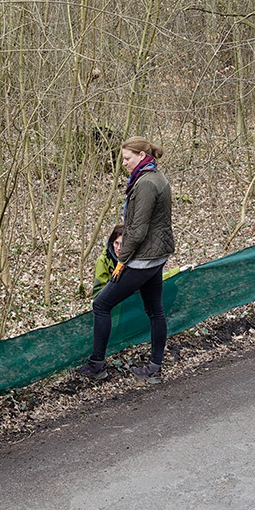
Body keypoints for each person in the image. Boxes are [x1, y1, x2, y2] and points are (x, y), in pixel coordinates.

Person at [79, 136, 175, 385]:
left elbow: (138, 230)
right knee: (155, 310)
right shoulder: (156, 176)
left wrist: (123, 260)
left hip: (143, 259)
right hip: (158, 254)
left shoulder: (145, 184)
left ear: (141, 156)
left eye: (127, 158)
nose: (123, 163)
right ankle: (154, 367)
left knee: (101, 304)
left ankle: (97, 364)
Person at [94, 224, 124, 289]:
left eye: (122, 244)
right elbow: (98, 290)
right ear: (112, 243)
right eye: (116, 243)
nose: (119, 248)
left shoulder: (134, 261)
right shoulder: (103, 261)